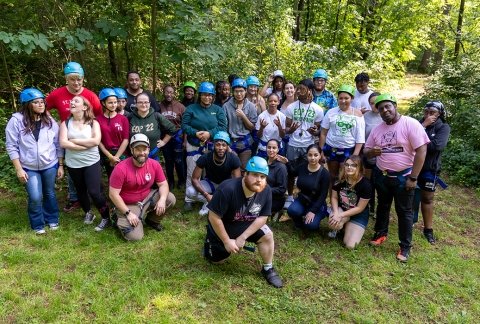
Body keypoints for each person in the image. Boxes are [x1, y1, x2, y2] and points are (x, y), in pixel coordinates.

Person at [364, 93, 429, 262]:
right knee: (383, 206)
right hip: (383, 175)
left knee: (404, 211)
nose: (385, 111)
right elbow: (366, 150)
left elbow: (422, 150)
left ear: (395, 106)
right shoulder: (378, 129)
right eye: (381, 108)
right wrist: (372, 152)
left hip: (404, 176)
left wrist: (413, 178)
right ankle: (380, 234)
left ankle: (405, 246)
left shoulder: (410, 124)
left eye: (388, 106)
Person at [203, 156, 283, 288]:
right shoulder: (227, 189)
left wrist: (242, 237)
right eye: (255, 175)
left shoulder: (266, 190)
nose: (259, 180)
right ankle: (210, 242)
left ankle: (268, 268)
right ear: (245, 174)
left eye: (263, 177)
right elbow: (214, 217)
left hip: (247, 225)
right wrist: (227, 241)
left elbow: (263, 217)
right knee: (217, 260)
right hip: (224, 226)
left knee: (268, 235)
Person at [5, 88, 64, 234]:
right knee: (35, 196)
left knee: (49, 192)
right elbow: (11, 146)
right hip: (28, 167)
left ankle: (52, 219)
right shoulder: (16, 121)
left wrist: (60, 165)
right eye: (36, 102)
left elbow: (57, 144)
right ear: (27, 105)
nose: (41, 104)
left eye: (42, 102)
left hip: (49, 164)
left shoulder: (49, 121)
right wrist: (19, 169)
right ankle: (38, 224)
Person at [46, 61, 102, 212]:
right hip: (67, 134)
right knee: (73, 168)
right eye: (72, 79)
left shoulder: (90, 95)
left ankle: (95, 195)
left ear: (83, 78)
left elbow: (98, 115)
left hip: (86, 135)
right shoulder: (57, 94)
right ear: (66, 79)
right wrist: (53, 122)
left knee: (91, 166)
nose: (76, 82)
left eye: (79, 79)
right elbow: (42, 107)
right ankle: (74, 197)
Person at [109, 134, 176, 241]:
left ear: (149, 149)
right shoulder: (120, 168)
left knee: (170, 198)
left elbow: (163, 184)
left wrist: (162, 200)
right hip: (128, 204)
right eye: (138, 149)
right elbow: (113, 194)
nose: (142, 153)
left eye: (144, 149)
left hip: (146, 199)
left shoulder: (155, 164)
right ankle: (117, 216)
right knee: (136, 237)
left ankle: (152, 220)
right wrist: (128, 213)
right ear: (131, 150)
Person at [59, 95, 111, 231]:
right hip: (73, 163)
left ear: (85, 107)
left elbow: (95, 141)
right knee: (80, 190)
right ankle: (88, 213)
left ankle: (106, 217)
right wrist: (83, 146)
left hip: (91, 162)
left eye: (76, 101)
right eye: (71, 101)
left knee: (94, 192)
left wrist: (74, 141)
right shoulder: (65, 123)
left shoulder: (93, 123)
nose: (72, 102)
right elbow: (63, 142)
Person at [181, 81, 227, 211]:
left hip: (212, 145)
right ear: (200, 95)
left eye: (210, 95)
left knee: (209, 172)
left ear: (213, 96)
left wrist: (209, 133)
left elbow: (222, 126)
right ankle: (189, 199)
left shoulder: (217, 110)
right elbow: (184, 126)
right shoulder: (191, 109)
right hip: (194, 144)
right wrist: (195, 133)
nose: (207, 98)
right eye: (205, 95)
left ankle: (205, 198)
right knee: (192, 170)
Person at [413, 101, 450, 244]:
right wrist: (423, 126)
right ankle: (410, 223)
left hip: (430, 168)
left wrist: (419, 140)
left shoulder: (443, 127)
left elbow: (437, 146)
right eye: (426, 112)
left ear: (439, 114)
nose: (428, 115)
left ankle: (428, 230)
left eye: (432, 113)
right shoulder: (418, 124)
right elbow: (409, 140)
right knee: (411, 196)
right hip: (413, 166)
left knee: (427, 198)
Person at [284, 79, 324, 208]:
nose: (298, 91)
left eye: (302, 88)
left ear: (309, 91)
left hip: (308, 145)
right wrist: (291, 130)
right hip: (293, 144)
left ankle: (303, 196)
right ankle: (289, 196)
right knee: (290, 171)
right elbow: (287, 128)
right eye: (298, 88)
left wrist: (314, 132)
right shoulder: (291, 107)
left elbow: (318, 131)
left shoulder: (317, 109)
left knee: (306, 172)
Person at [319, 85, 365, 195]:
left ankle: (345, 203)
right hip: (332, 148)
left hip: (348, 149)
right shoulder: (331, 112)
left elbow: (360, 138)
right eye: (341, 98)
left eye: (346, 98)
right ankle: (332, 201)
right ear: (337, 99)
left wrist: (354, 156)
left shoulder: (357, 114)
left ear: (352, 98)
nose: (343, 101)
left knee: (346, 176)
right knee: (333, 176)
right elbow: (323, 133)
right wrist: (321, 151)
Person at [186, 131, 241, 216]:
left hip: (225, 185)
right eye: (218, 144)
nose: (221, 148)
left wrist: (229, 193)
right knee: (190, 192)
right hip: (210, 183)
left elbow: (237, 182)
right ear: (213, 145)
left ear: (227, 147)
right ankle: (208, 202)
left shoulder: (233, 159)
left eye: (224, 145)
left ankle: (216, 203)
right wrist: (206, 195)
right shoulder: (205, 157)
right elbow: (194, 179)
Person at [329, 155, 372, 248]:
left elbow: (360, 208)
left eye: (353, 165)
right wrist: (336, 213)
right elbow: (334, 198)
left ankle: (346, 225)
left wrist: (340, 216)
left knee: (350, 245)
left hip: (358, 214)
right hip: (342, 209)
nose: (349, 167)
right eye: (347, 165)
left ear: (359, 168)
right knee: (333, 224)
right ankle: (340, 226)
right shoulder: (339, 180)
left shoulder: (366, 185)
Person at [287, 144, 330, 231]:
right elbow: (292, 173)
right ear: (307, 155)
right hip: (303, 199)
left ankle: (313, 217)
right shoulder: (303, 166)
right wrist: (286, 162)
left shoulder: (325, 174)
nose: (312, 158)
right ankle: (299, 223)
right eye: (310, 155)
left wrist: (313, 211)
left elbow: (323, 195)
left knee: (311, 226)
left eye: (315, 155)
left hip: (317, 203)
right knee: (292, 210)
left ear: (320, 155)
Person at [128, 92, 176, 161]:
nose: (143, 104)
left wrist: (164, 141)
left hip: (153, 156)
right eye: (140, 102)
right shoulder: (130, 117)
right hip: (136, 157)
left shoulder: (156, 116)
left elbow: (172, 129)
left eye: (146, 102)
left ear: (150, 103)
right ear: (136, 104)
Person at [223, 78, 258, 170]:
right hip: (231, 141)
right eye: (236, 91)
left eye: (241, 91)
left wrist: (243, 116)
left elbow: (252, 127)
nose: (239, 94)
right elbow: (224, 127)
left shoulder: (251, 106)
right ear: (233, 92)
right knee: (231, 168)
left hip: (246, 141)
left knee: (244, 168)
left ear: (245, 91)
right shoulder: (226, 106)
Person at [97, 88, 129, 178]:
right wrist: (110, 156)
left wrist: (116, 157)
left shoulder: (123, 119)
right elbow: (98, 140)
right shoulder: (98, 120)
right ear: (103, 103)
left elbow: (126, 139)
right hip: (105, 153)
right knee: (110, 177)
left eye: (115, 102)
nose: (114, 105)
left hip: (121, 152)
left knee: (121, 177)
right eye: (110, 103)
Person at [159, 85, 186, 189]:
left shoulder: (180, 106)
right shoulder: (159, 106)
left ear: (174, 93)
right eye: (167, 92)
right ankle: (170, 182)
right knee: (168, 161)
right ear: (163, 92)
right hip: (165, 138)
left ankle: (181, 181)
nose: (169, 94)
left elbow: (185, 125)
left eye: (171, 92)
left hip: (178, 137)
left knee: (179, 160)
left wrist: (184, 140)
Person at [363, 92, 382, 216]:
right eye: (371, 103)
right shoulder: (365, 116)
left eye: (376, 102)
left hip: (383, 155)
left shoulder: (386, 115)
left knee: (380, 183)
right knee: (368, 182)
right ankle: (370, 207)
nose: (373, 105)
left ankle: (380, 209)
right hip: (367, 153)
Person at [256, 93, 286, 158]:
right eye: (270, 101)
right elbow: (258, 136)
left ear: (278, 102)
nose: (273, 103)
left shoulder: (282, 116)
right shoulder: (262, 116)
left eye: (275, 101)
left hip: (277, 149)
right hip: (264, 149)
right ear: (267, 102)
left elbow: (283, 135)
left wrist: (279, 126)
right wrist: (262, 127)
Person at [265, 139, 288, 218]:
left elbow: (282, 189)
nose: (271, 150)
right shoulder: (263, 162)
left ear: (278, 149)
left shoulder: (281, 167)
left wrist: (264, 189)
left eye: (274, 148)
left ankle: (277, 212)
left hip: (274, 199)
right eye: (269, 147)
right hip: (262, 194)